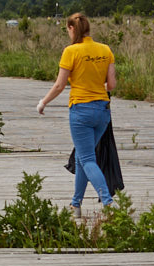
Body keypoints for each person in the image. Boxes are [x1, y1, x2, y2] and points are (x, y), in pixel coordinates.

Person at [36, 13, 117, 219]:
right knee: (82, 158)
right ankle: (75, 205)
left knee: (88, 159)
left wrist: (43, 102)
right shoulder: (105, 50)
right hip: (102, 111)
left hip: (81, 110)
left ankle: (108, 203)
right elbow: (112, 85)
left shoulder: (70, 51)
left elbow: (60, 85)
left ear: (72, 29)